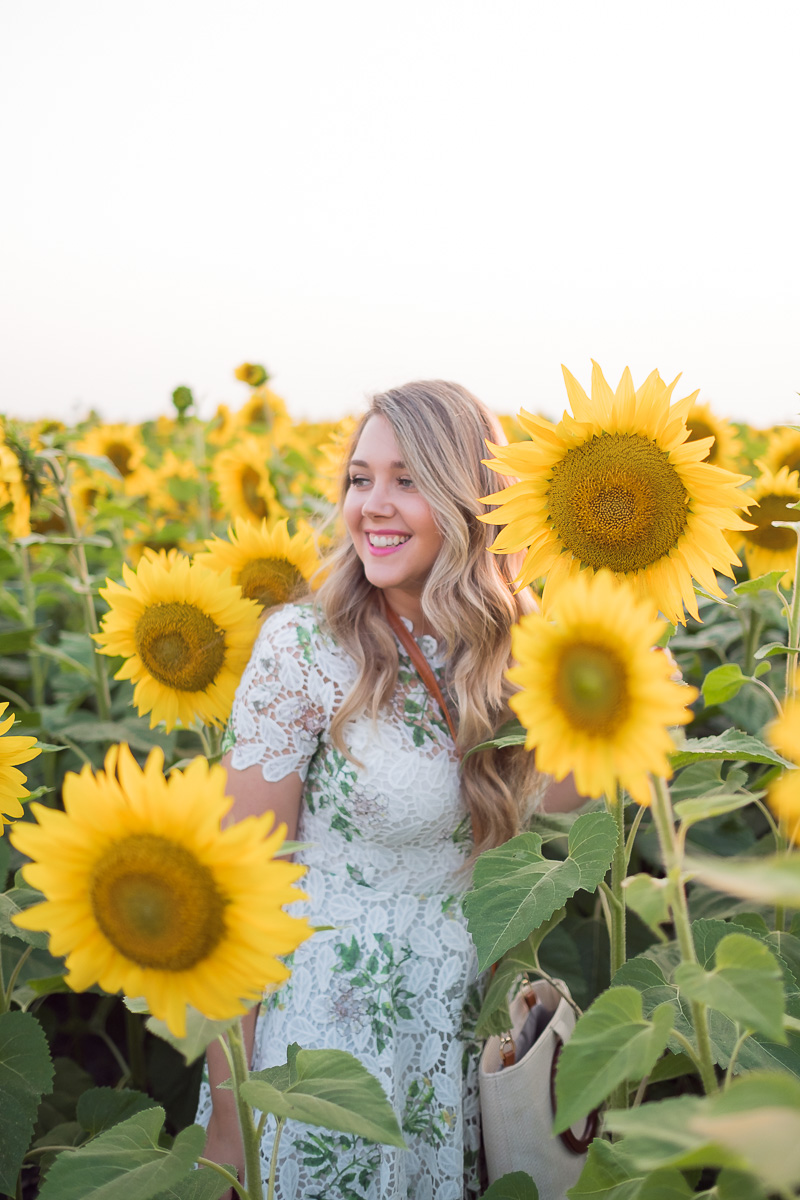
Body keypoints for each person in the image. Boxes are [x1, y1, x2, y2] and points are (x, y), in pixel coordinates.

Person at [198, 380, 551, 1200]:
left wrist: (624, 675)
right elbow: (237, 893)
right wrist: (227, 1122)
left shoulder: (511, 653)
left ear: (471, 501)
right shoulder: (302, 651)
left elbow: (570, 813)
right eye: (360, 479)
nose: (372, 507)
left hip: (456, 1030)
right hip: (331, 1042)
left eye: (407, 479)